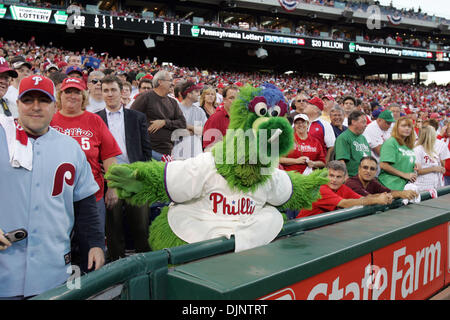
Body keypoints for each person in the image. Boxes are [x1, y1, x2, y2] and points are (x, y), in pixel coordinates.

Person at [0, 75, 103, 299]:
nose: (36, 107)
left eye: (43, 101)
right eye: (28, 100)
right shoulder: (1, 136)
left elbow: (84, 203)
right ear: (17, 104)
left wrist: (95, 243)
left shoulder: (70, 147)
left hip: (53, 271)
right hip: (4, 270)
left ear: (54, 106)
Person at [50, 77, 122, 271]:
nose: (72, 96)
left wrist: (113, 187)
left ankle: (88, 288)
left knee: (91, 247)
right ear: (60, 95)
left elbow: (109, 156)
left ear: (83, 96)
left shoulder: (94, 120)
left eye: (77, 92)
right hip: (56, 197)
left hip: (92, 196)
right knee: (59, 248)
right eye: (68, 91)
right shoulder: (50, 119)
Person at [96, 75, 152, 261]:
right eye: (106, 90)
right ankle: (115, 268)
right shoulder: (96, 119)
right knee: (113, 228)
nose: (110, 94)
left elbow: (146, 151)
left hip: (134, 176)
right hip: (110, 178)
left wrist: (141, 174)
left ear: (122, 92)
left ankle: (144, 265)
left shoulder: (137, 117)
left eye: (113, 90)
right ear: (101, 93)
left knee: (141, 226)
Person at [297, 161, 392, 218]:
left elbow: (362, 199)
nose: (334, 180)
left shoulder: (343, 188)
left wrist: (383, 196)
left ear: (344, 179)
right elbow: (344, 203)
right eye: (331, 176)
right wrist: (377, 200)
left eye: (338, 177)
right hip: (302, 231)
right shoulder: (321, 189)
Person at [131, 70, 187, 159]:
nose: (172, 84)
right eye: (170, 80)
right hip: (149, 151)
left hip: (168, 152)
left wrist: (164, 122)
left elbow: (182, 123)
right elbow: (131, 119)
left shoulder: (173, 102)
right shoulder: (145, 97)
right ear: (160, 82)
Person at [345, 156, 418, 200]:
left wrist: (403, 193)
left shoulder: (372, 182)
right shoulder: (351, 183)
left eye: (372, 169)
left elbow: (389, 192)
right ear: (359, 169)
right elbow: (369, 198)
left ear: (376, 171)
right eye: (365, 167)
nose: (368, 171)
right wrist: (399, 194)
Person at [378, 116, 417, 190]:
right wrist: (404, 175)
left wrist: (413, 164)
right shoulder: (391, 142)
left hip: (403, 186)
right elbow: (383, 165)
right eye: (403, 126)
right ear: (397, 128)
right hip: (389, 185)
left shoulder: (408, 144)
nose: (407, 128)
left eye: (409, 127)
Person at [171, 80, 206, 160]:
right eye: (196, 91)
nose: (199, 94)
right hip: (177, 154)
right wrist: (193, 130)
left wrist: (188, 126)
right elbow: (173, 131)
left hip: (196, 154)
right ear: (189, 94)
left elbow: (203, 131)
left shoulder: (199, 111)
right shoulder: (175, 109)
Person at [335, 110, 371, 177]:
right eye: (363, 122)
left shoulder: (363, 138)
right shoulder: (344, 137)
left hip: (365, 178)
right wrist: (347, 180)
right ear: (353, 122)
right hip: (353, 178)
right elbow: (341, 161)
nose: (366, 125)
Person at [202, 85, 238, 151]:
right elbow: (207, 148)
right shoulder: (215, 118)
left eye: (237, 98)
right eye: (231, 98)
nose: (235, 101)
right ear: (224, 100)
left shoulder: (241, 117)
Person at [413, 126, 448, 191]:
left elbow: (438, 166)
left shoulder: (432, 150)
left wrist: (441, 169)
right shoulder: (417, 150)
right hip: (422, 186)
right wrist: (434, 169)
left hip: (435, 185)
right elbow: (417, 171)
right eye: (433, 134)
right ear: (428, 136)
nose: (435, 137)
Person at [304, 96, 335, 163]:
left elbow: (331, 146)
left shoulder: (325, 125)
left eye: (309, 104)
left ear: (316, 109)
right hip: (298, 164)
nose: (306, 105)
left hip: (317, 166)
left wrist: (325, 163)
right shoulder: (298, 122)